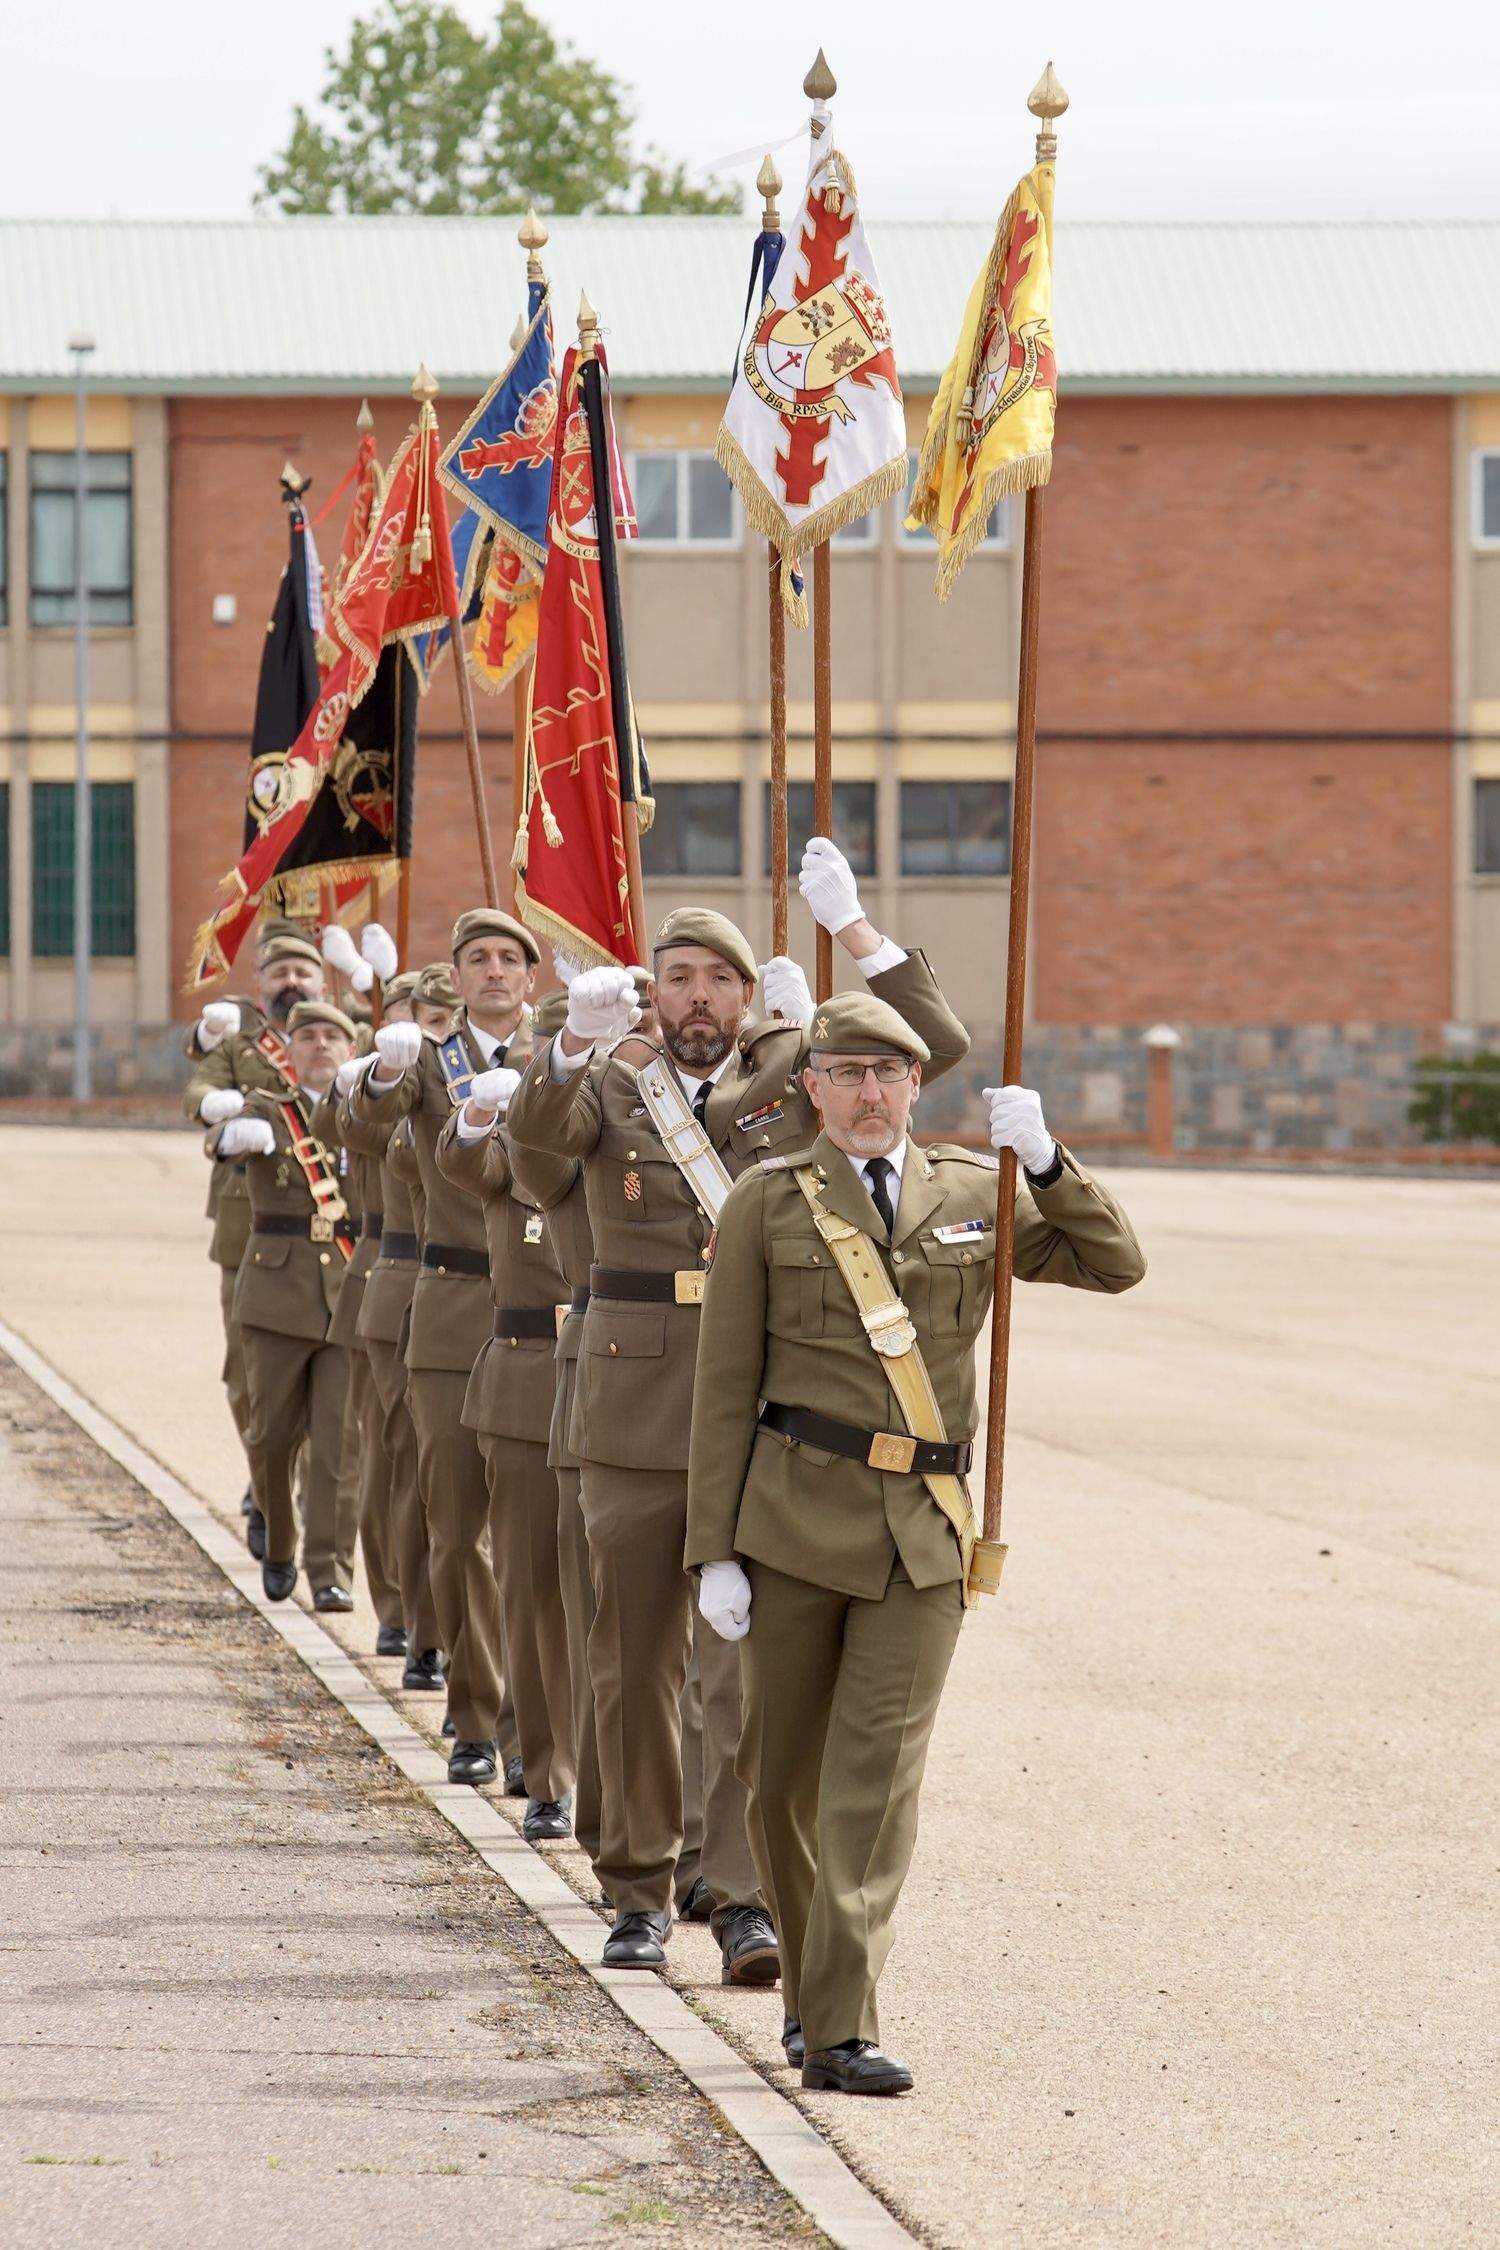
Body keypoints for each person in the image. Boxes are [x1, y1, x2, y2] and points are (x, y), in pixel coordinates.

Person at [505, 837, 970, 1982]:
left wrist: (854, 930)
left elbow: (933, 1046)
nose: (699, 997)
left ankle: (743, 1894)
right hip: (630, 1403)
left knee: (747, 1677)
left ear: (749, 991)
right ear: (651, 994)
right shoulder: (608, 1079)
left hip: (764, 1410)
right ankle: (636, 1887)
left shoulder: (794, 1074)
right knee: (630, 1664)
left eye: (719, 978)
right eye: (678, 978)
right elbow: (530, 1164)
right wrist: (564, 1047)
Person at [686, 992, 1146, 2095]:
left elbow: (1113, 1262)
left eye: (887, 1074)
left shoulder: (971, 1191)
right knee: (780, 1783)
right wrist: (714, 1551)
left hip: (924, 1537)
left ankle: (840, 2026)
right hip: (794, 1526)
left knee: (873, 1788)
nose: (869, 1093)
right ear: (812, 1088)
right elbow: (723, 1388)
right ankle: (812, 1997)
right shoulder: (767, 1200)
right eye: (846, 1073)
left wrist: (1046, 1162)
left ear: (915, 1085)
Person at [346, 909, 538, 1790]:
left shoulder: (562, 1055)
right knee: (459, 1534)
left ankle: (537, 1742)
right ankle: (475, 1718)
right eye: (477, 959)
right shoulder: (428, 1061)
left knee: (536, 1546)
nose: (494, 971)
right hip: (453, 1310)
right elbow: (361, 1126)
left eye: (508, 958)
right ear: (454, 979)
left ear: (530, 978)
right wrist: (383, 1069)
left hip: (540, 1311)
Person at [435, 1028, 579, 1843]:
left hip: (631, 1383)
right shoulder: (512, 1158)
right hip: (527, 1384)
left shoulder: (633, 1153)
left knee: (618, 1600)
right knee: (530, 1590)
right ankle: (544, 1771)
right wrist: (478, 1116)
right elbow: (463, 1160)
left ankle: (622, 1785)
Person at [207, 998, 367, 1606]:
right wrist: (229, 1137)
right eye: (308, 1036)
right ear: (290, 1052)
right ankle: (278, 1542)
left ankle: (330, 1572)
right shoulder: (269, 1110)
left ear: (351, 1050)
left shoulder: (364, 1115)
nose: (320, 1045)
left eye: (332, 1036)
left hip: (347, 1295)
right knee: (271, 1436)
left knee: (339, 1444)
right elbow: (220, 1140)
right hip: (276, 1296)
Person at [183, 927, 330, 1556]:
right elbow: (198, 1087)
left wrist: (378, 981)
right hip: (249, 1228)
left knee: (328, 1380)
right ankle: (267, 1476)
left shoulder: (344, 1032)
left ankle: (306, 1496)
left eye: (303, 971)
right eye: (279, 972)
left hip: (329, 1229)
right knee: (248, 1376)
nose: (291, 982)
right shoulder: (239, 1038)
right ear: (260, 981)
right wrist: (220, 1107)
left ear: (323, 981)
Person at [347, 967, 457, 1693]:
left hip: (490, 1296)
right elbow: (360, 1126)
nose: (440, 1033)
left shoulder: (505, 1070)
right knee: (408, 1468)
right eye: (429, 1019)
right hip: (407, 1290)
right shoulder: (400, 1080)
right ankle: (417, 1624)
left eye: (450, 1020)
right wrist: (381, 1071)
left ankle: (464, 1642)